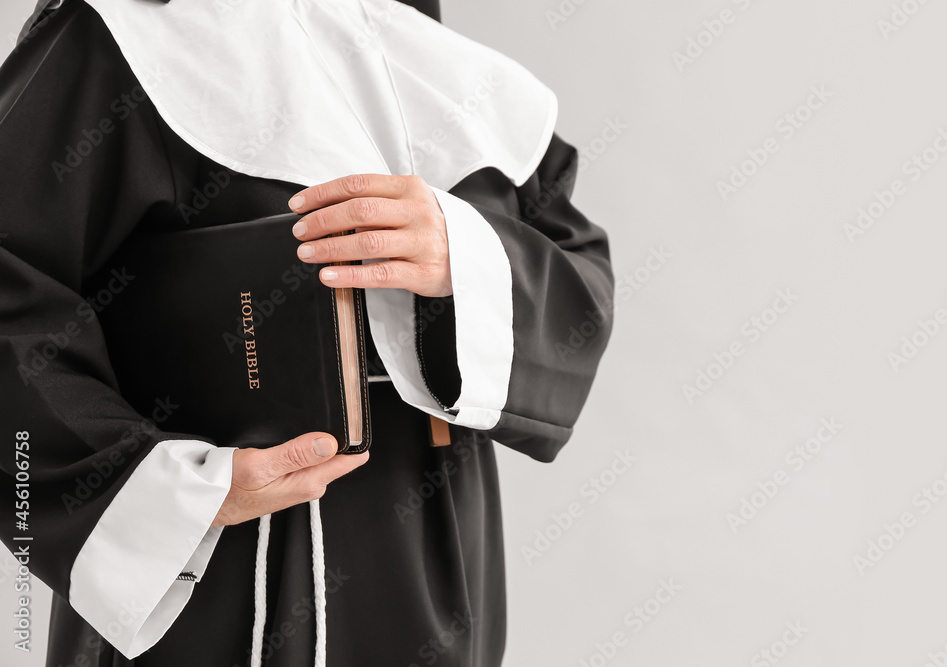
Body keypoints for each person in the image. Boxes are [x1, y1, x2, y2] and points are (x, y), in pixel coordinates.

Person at [0, 0, 614, 665]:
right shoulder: (115, 38)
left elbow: (581, 289)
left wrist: (461, 252)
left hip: (439, 552)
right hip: (219, 566)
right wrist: (155, 489)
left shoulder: (449, 66)